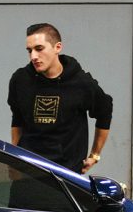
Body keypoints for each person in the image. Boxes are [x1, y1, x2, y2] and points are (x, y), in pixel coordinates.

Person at [7, 23, 112, 174]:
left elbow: (105, 110)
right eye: (29, 51)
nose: (33, 56)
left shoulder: (81, 83)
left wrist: (95, 155)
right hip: (28, 170)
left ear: (57, 47)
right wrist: (15, 156)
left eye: (39, 49)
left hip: (66, 173)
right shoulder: (20, 79)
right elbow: (17, 119)